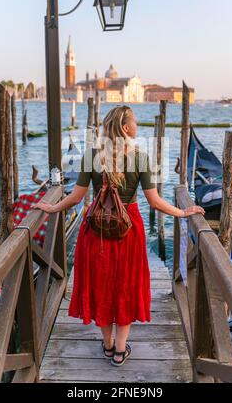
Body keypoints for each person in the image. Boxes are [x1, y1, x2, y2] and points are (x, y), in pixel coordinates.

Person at [31, 105, 205, 366]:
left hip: (96, 231)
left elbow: (76, 198)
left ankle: (108, 344)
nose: (137, 126)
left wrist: (52, 207)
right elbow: (155, 202)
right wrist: (183, 212)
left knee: (102, 285)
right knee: (125, 286)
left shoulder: (91, 156)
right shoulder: (140, 157)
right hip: (128, 229)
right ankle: (120, 350)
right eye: (134, 122)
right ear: (125, 128)